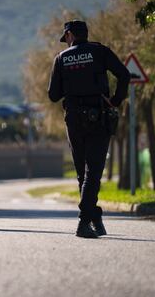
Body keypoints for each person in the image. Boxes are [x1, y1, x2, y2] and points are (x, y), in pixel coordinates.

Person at [48, 20, 130, 238]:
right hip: (98, 116)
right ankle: (92, 218)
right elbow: (123, 74)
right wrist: (116, 100)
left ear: (70, 35)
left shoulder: (62, 58)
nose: (65, 42)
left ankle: (86, 221)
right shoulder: (100, 51)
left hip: (74, 119)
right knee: (92, 171)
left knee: (82, 172)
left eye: (65, 38)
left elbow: (53, 95)